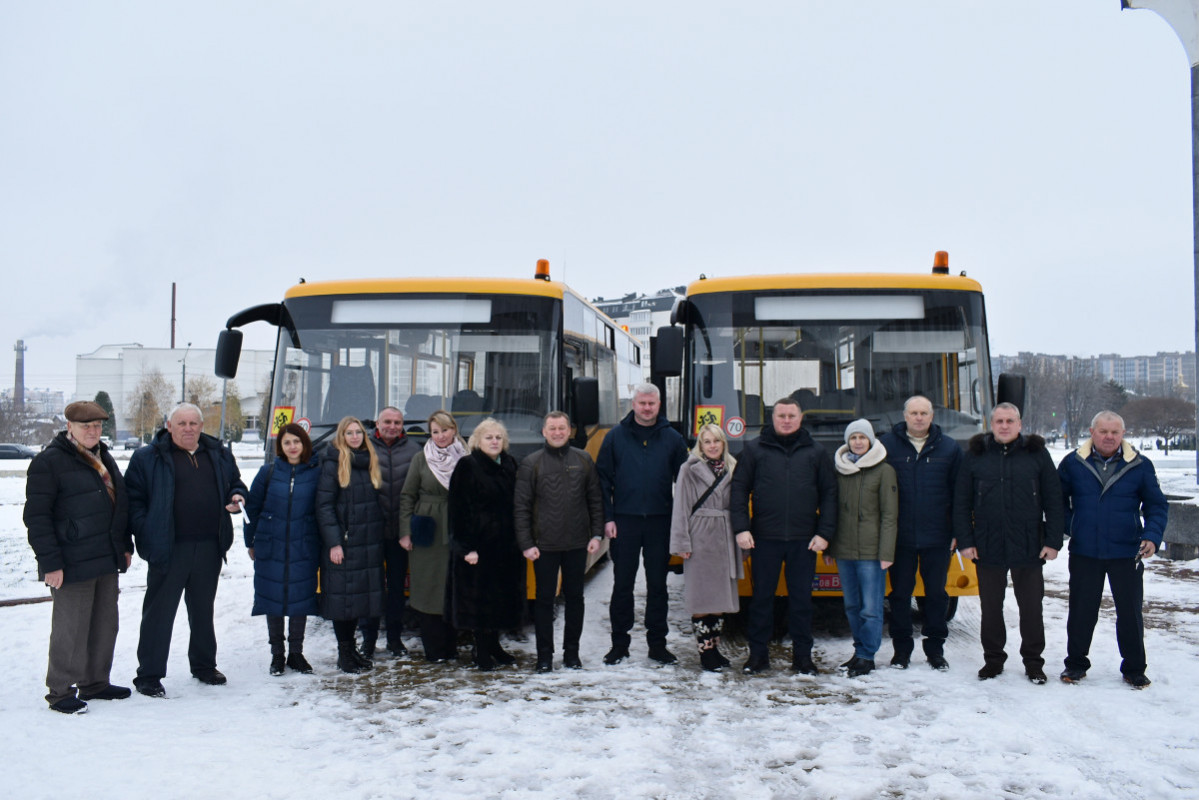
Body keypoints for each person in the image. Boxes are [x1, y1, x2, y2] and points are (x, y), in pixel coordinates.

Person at [126, 403, 247, 698]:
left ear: (202, 426)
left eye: (194, 423)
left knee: (203, 612)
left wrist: (237, 495)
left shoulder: (218, 454)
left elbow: (236, 482)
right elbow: (133, 501)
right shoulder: (148, 458)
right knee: (159, 613)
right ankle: (149, 675)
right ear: (169, 426)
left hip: (209, 546)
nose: (188, 428)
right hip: (168, 548)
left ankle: (204, 666)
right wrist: (148, 530)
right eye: (182, 423)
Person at [24, 401, 132, 714]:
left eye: (97, 426)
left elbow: (119, 504)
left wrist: (124, 546)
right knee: (70, 629)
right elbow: (37, 517)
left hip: (105, 557)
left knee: (104, 625)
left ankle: (95, 682)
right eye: (86, 426)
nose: (93, 431)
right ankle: (60, 692)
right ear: (70, 426)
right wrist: (50, 563)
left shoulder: (103, 457)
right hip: (71, 562)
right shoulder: (50, 462)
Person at [1058, 410, 1169, 689]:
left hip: (1126, 551)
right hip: (1085, 551)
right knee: (1082, 611)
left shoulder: (1140, 465)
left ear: (1123, 434)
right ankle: (1075, 664)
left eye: (1115, 432)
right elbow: (1057, 502)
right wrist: (1075, 526)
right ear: (1092, 432)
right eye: (1103, 431)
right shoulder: (1073, 463)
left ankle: (1134, 668)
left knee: (1130, 613)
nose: (1109, 437)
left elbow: (1156, 506)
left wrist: (1152, 536)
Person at [955, 402, 1064, 684]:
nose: (1004, 426)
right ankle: (993, 660)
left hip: (1029, 544)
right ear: (991, 424)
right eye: (999, 421)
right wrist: (966, 541)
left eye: (1010, 421)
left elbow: (1054, 500)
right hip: (987, 544)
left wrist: (1053, 541)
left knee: (1031, 608)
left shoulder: (1036, 454)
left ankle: (1033, 663)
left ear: (1020, 424)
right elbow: (961, 502)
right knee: (991, 608)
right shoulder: (976, 455)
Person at [731, 397, 837, 675]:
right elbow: (739, 491)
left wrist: (824, 534)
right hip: (764, 538)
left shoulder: (816, 452)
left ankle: (803, 658)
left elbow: (830, 495)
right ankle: (757, 657)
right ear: (773, 418)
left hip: (805, 540)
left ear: (801, 418)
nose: (787, 420)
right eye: (781, 416)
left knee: (802, 601)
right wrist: (741, 528)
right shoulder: (754, 450)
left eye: (792, 415)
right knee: (761, 600)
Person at [596, 383, 689, 665]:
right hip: (625, 522)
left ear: (659, 405)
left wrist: (680, 523)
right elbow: (602, 480)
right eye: (642, 403)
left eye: (652, 403)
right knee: (622, 584)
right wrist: (608, 518)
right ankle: (619, 644)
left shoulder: (673, 439)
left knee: (657, 585)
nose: (647, 408)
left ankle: (657, 644)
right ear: (633, 404)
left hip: (661, 522)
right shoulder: (615, 437)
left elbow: (684, 484)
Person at [515, 411, 604, 672]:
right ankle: (544, 656)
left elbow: (595, 500)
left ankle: (571, 654)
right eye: (552, 428)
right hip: (543, 546)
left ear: (569, 431)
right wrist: (526, 543)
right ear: (544, 432)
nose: (557, 433)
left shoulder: (584, 460)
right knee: (544, 601)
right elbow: (521, 507)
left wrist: (596, 534)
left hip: (577, 543)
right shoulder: (532, 464)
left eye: (562, 428)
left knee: (575, 599)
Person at [878, 395, 961, 670]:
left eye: (924, 413)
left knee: (936, 595)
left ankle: (935, 650)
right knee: (900, 595)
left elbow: (959, 494)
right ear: (905, 416)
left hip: (937, 537)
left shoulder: (949, 448)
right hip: (899, 537)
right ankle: (901, 651)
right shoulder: (887, 446)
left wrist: (957, 531)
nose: (919, 418)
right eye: (913, 413)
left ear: (932, 416)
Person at [446, 417, 524, 671]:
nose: (494, 441)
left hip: (506, 544)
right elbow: (458, 510)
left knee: (500, 598)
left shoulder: (510, 464)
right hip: (478, 545)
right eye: (488, 437)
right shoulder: (467, 466)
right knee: (479, 599)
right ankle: (480, 651)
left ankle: (494, 646)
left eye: (498, 437)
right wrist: (466, 547)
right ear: (477, 441)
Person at [243, 423, 321, 676]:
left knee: (300, 598)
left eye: (296, 442)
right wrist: (250, 541)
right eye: (287, 442)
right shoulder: (268, 472)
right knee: (273, 598)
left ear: (304, 444)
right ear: (281, 446)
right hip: (271, 544)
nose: (292, 447)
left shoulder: (316, 472)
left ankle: (296, 653)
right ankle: (277, 654)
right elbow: (252, 509)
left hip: (304, 544)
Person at [669, 423, 743, 672]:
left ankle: (716, 648)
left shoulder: (733, 467)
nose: (712, 446)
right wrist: (681, 542)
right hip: (699, 535)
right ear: (700, 445)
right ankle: (705, 653)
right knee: (701, 599)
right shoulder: (688, 469)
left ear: (724, 443)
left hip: (725, 534)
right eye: (707, 442)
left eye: (716, 441)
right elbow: (680, 507)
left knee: (719, 599)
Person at [316, 416, 386, 674]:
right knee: (342, 603)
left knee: (356, 601)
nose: (355, 437)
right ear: (341, 436)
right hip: (344, 544)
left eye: (358, 432)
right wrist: (334, 543)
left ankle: (352, 651)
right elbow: (324, 507)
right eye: (349, 433)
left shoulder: (370, 461)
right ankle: (344, 654)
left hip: (368, 544)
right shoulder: (333, 462)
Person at [827, 419, 897, 678]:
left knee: (871, 607)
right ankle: (858, 652)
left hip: (872, 552)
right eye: (853, 437)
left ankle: (868, 655)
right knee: (852, 605)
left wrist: (887, 553)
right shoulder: (840, 470)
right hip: (844, 550)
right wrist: (830, 549)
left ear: (870, 441)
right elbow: (833, 513)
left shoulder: (884, 470)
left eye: (862, 438)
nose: (857, 442)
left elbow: (890, 515)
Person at [399, 410, 468, 662]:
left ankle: (452, 646)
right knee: (428, 589)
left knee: (453, 587)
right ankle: (434, 650)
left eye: (445, 430)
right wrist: (405, 532)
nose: (440, 436)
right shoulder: (421, 458)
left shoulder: (466, 457)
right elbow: (408, 495)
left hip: (457, 526)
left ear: (454, 430)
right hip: (427, 529)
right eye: (435, 431)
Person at [360, 405, 417, 658]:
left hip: (400, 534)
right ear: (377, 423)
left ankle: (395, 639)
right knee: (370, 588)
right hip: (371, 531)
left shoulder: (416, 451)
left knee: (396, 589)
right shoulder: (363, 448)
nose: (392, 426)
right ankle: (368, 640)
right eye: (387, 422)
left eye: (397, 422)